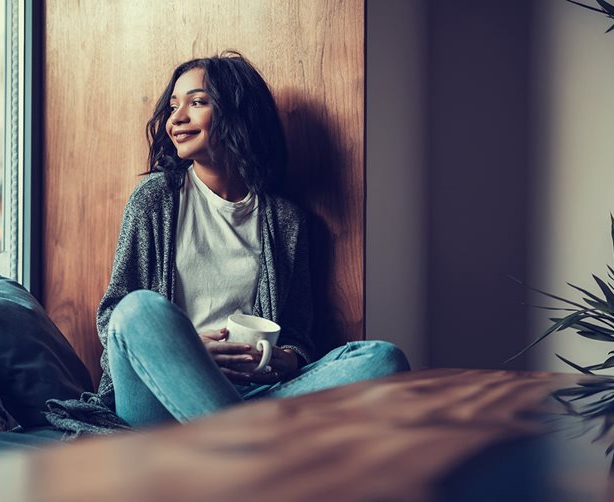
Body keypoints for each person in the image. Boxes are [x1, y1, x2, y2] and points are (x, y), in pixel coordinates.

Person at [46, 52, 409, 436]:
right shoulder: (154, 198)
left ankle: (231, 437)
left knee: (381, 358)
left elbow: (298, 334)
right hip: (157, 397)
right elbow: (114, 317)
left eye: (197, 102)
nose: (176, 118)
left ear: (238, 113)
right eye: (173, 106)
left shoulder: (285, 221)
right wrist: (186, 348)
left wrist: (284, 359)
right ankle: (246, 441)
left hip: (255, 392)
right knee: (138, 309)